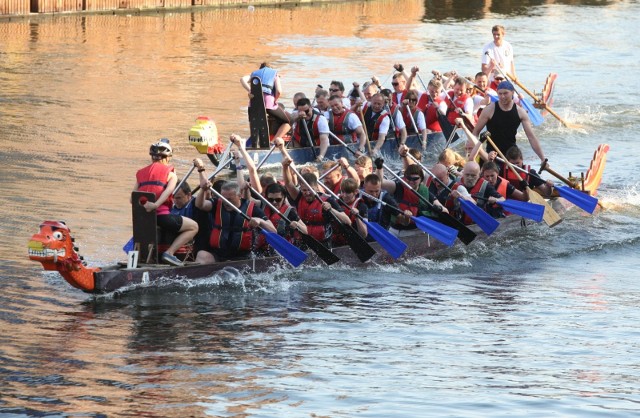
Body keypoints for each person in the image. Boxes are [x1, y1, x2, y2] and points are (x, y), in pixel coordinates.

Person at [133, 139, 198, 266]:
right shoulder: (171, 173)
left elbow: (132, 198)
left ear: (152, 157)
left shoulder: (140, 173)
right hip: (161, 216)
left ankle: (140, 259)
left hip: (141, 219)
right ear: (167, 158)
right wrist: (156, 205)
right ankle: (169, 253)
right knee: (194, 226)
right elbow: (169, 192)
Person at [194, 180, 275, 264]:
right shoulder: (217, 204)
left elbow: (273, 231)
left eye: (229, 199)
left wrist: (260, 221)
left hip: (243, 257)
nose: (226, 202)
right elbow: (200, 205)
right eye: (223, 198)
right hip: (219, 254)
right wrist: (203, 190)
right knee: (201, 254)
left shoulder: (252, 208)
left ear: (239, 196)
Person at [473, 81, 546, 163]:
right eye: (500, 94)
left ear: (512, 93)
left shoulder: (521, 112)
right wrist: (480, 153)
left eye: (505, 93)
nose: (502, 96)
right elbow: (475, 133)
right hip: (492, 154)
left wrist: (542, 159)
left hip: (512, 156)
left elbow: (531, 137)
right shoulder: (489, 110)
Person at [282, 158, 351, 245]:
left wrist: (331, 209)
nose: (307, 193)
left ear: (316, 187)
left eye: (310, 190)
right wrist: (285, 167)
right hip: (303, 240)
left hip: (324, 242)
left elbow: (347, 221)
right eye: (304, 190)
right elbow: (288, 183)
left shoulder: (327, 200)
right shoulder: (299, 197)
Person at [376, 158, 447, 237]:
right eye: (409, 178)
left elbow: (445, 211)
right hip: (394, 230)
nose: (411, 181)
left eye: (415, 179)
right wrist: (379, 168)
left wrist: (439, 208)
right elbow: (381, 183)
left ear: (421, 179)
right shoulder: (397, 187)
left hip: (415, 232)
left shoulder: (425, 192)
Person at [241, 62, 291, 140]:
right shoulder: (274, 74)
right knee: (287, 122)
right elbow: (279, 91)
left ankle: (255, 143)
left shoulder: (254, 73)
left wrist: (250, 91)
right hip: (268, 104)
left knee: (255, 125)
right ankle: (274, 142)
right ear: (271, 68)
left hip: (253, 104)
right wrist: (275, 100)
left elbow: (242, 79)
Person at [256, 183, 307, 251]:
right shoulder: (261, 205)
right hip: (261, 249)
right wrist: (245, 189)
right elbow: (246, 200)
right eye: (270, 199)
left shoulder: (290, 212)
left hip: (281, 250)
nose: (274, 202)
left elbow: (306, 231)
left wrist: (297, 225)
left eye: (278, 199)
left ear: (284, 198)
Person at [334, 178, 368, 243]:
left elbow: (364, 235)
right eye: (343, 192)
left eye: (348, 193)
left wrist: (357, 217)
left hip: (354, 242)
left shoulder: (362, 206)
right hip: (336, 242)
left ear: (356, 192)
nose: (344, 195)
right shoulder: (336, 202)